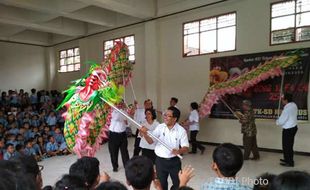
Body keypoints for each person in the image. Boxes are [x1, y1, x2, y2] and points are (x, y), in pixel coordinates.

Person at [140, 106, 189, 190]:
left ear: (174, 119)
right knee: (162, 185)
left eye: (168, 116)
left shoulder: (181, 131)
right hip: (160, 161)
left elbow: (186, 147)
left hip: (174, 162)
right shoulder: (160, 127)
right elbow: (150, 141)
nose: (165, 117)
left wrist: (179, 151)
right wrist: (145, 134)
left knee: (178, 184)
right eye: (165, 115)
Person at [276, 93, 298, 167]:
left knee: (287, 146)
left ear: (286, 100)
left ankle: (290, 162)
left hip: (288, 129)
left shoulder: (287, 109)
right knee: (289, 145)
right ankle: (287, 159)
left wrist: (277, 121)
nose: (282, 101)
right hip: (293, 128)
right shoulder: (294, 105)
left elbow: (281, 121)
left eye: (283, 99)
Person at [108, 101, 130, 172]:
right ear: (115, 104)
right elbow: (116, 118)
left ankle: (127, 166)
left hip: (123, 134)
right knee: (113, 152)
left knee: (125, 152)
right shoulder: (113, 111)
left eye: (121, 104)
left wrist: (126, 120)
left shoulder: (124, 112)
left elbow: (128, 124)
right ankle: (115, 166)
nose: (119, 105)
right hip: (113, 135)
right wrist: (120, 110)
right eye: (118, 104)